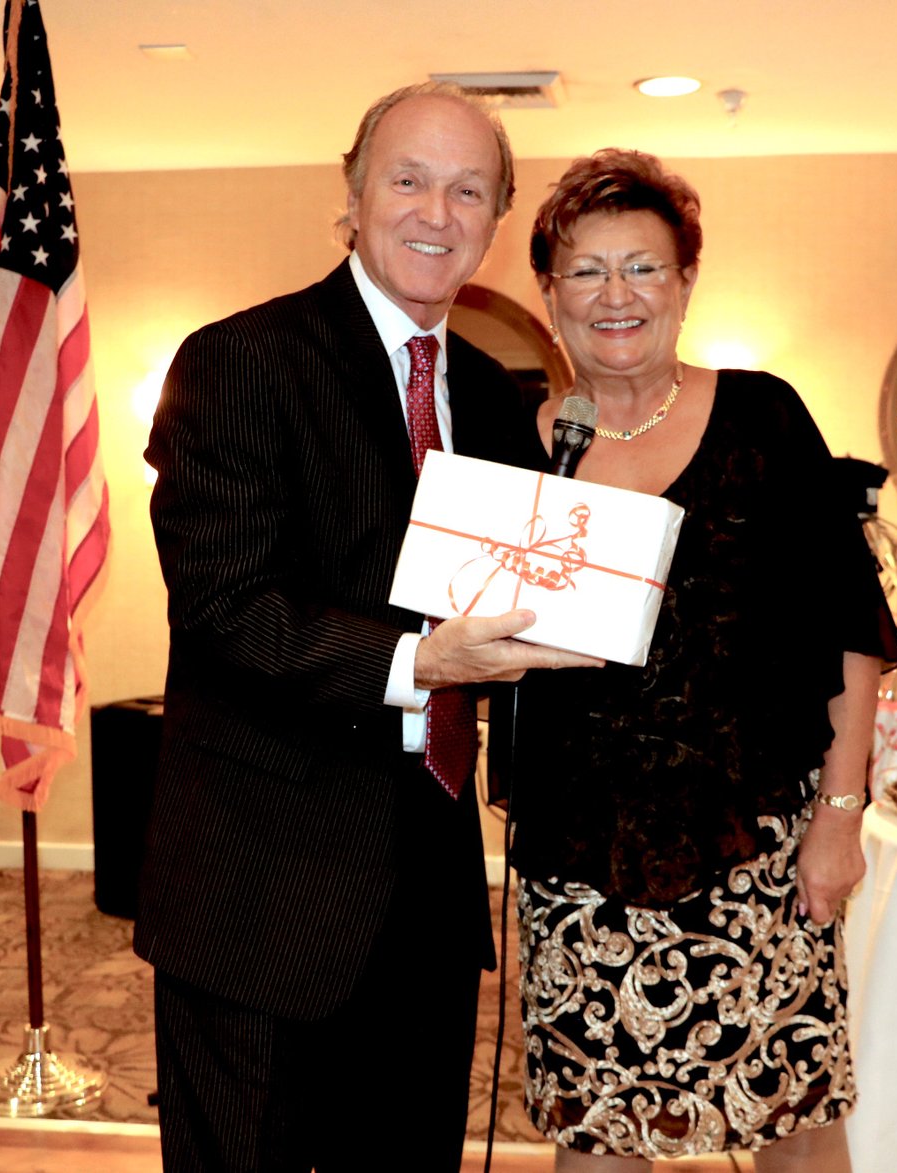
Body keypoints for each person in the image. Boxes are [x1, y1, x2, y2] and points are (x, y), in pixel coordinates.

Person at [133, 83, 600, 1173]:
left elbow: (526, 600)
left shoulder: (492, 395)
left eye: (469, 191)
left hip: (430, 895)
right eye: (409, 180)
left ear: (496, 221)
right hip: (260, 894)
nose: (437, 212)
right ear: (351, 195)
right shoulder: (240, 360)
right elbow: (223, 606)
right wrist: (416, 661)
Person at [508, 150, 897, 1172]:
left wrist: (840, 818)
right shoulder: (519, 445)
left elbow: (850, 628)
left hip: (756, 844)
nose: (615, 295)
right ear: (549, 295)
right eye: (586, 271)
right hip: (581, 859)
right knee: (596, 1131)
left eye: (642, 267)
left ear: (685, 282)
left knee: (793, 1115)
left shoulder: (764, 418)